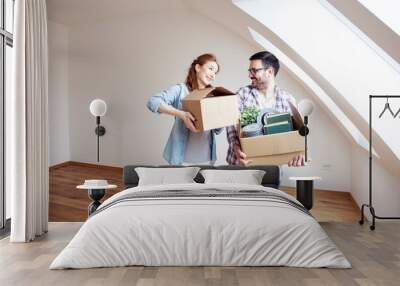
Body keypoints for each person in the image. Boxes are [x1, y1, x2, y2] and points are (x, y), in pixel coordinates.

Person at [226, 51, 305, 167]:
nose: (250, 75)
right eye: (249, 71)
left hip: (273, 168)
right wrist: (236, 149)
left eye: (254, 70)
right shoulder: (242, 94)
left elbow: (294, 134)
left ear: (270, 71)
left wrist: (299, 153)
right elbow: (231, 126)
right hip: (242, 165)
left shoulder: (287, 100)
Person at [147, 53, 222, 165]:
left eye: (215, 73)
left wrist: (223, 116)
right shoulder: (180, 90)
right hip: (183, 159)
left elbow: (217, 130)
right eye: (210, 69)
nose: (213, 75)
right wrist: (181, 114)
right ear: (198, 67)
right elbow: (153, 102)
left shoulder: (213, 96)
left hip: (207, 158)